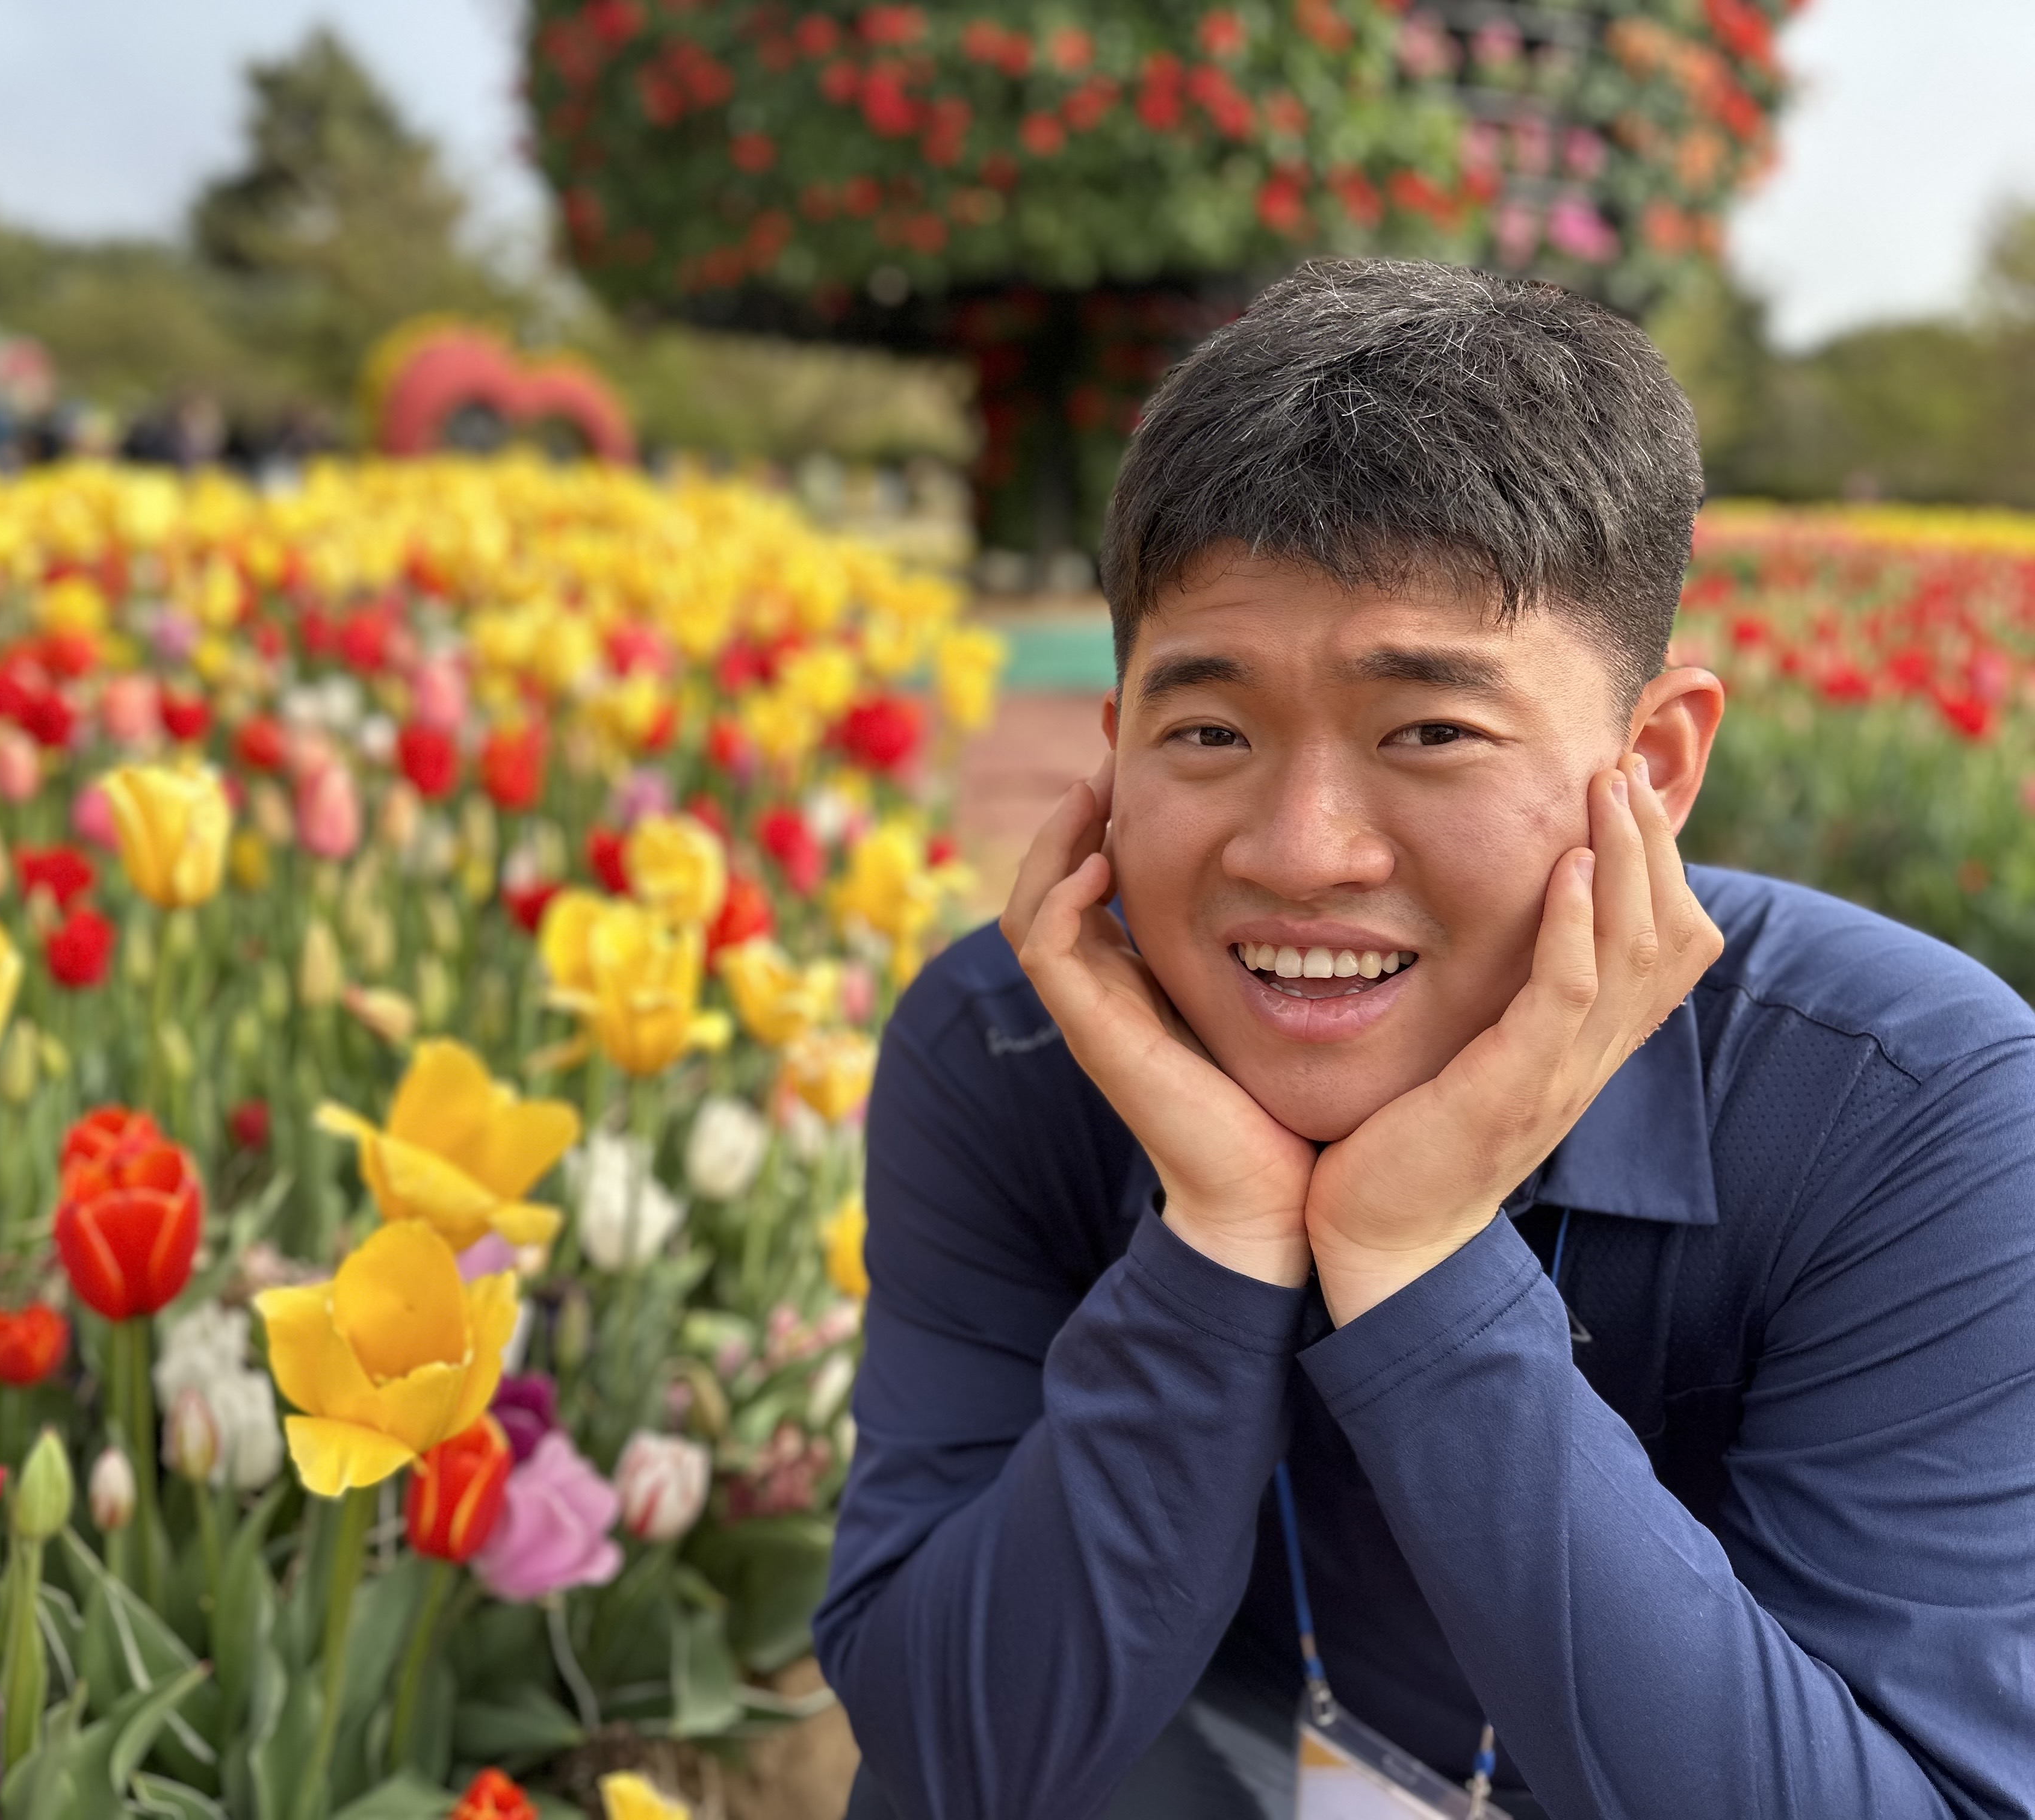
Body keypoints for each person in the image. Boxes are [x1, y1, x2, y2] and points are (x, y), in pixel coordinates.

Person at [814, 261, 2035, 1820]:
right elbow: (943, 1759)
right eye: (1209, 732)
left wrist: (1421, 1263)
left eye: (1432, 732)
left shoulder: (1909, 1109)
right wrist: (1217, 1244)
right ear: (1113, 753)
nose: (1302, 849)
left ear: (1656, 766)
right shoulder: (1003, 1052)